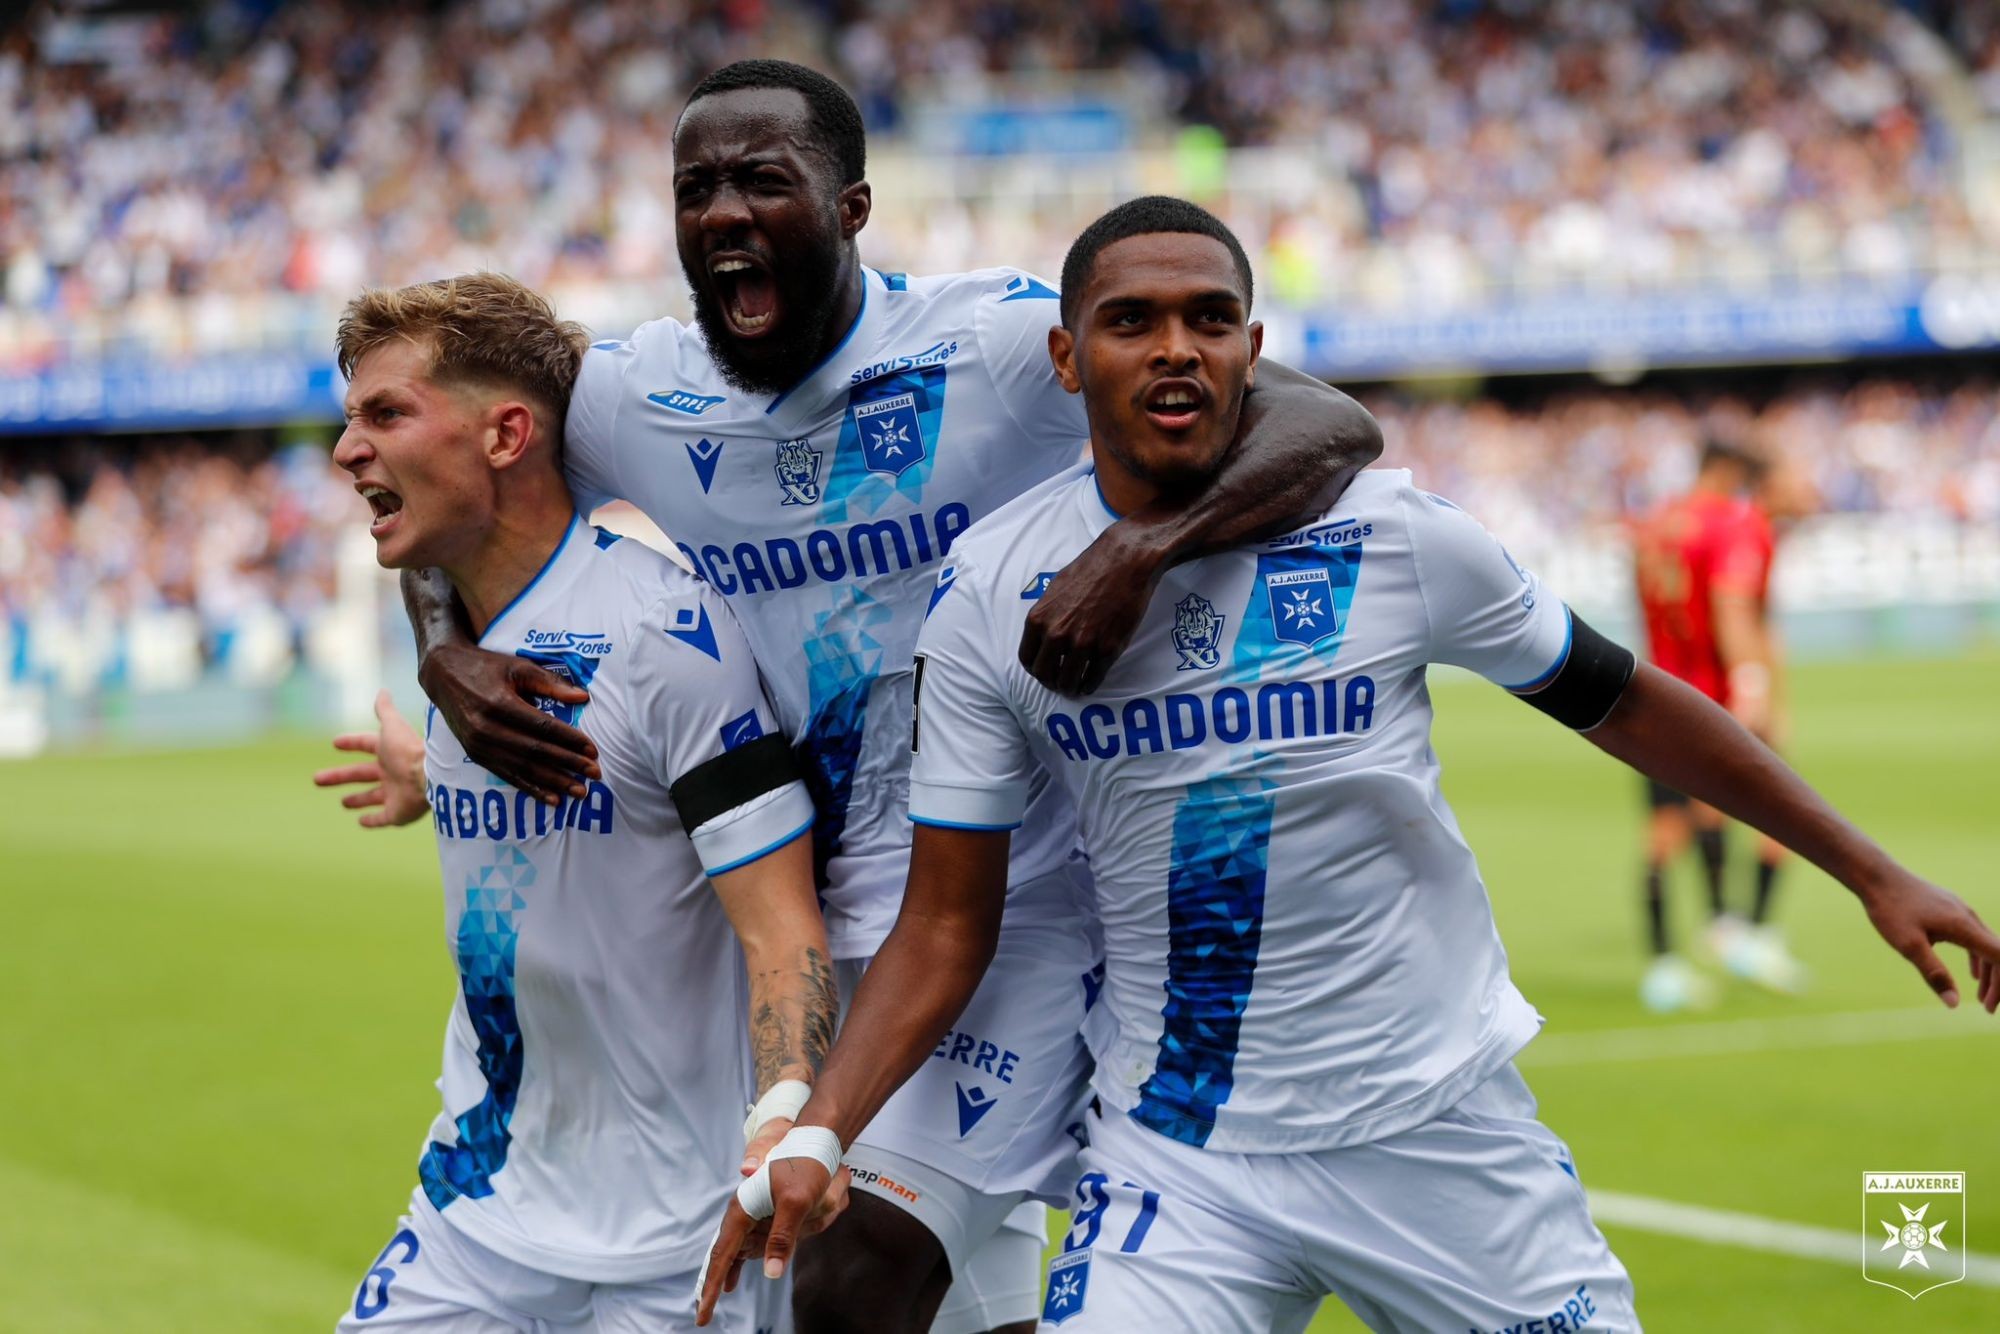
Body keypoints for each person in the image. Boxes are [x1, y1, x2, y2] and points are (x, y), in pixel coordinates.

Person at [705, 198, 2000, 1332]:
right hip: (1178, 1154)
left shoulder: (1392, 536)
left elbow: (1621, 700)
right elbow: (945, 922)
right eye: (1130, 320)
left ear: (1252, 349)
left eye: (1210, 319)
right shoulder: (991, 590)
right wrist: (822, 1124)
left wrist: (1869, 871)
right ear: (1064, 356)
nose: (1174, 346)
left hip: (1435, 1128)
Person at [399, 61, 1382, 1334]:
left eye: (764, 181)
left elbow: (1322, 421)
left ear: (852, 206)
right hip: (810, 923)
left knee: (838, 1273)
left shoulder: (984, 347)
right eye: (696, 188)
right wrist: (444, 649)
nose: (724, 211)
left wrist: (1133, 553)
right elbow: (450, 483)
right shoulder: (632, 395)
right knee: (943, 1302)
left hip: (1014, 908)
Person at [321, 273, 840, 1333]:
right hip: (475, 1205)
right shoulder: (456, 637)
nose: (345, 450)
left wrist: (787, 1111)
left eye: (386, 414)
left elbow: (781, 926)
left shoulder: (664, 635)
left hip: (679, 1240)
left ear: (506, 434)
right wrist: (431, 771)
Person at [1630, 439, 1803, 1011]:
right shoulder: (1733, 524)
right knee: (1779, 813)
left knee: (1663, 831)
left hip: (1655, 693)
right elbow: (1732, 607)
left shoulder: (1655, 523)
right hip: (1712, 698)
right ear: (1729, 471)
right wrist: (1753, 685)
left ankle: (1665, 965)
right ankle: (1741, 933)